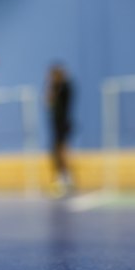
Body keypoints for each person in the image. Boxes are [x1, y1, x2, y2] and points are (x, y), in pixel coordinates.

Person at [46, 63, 74, 196]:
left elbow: (52, 99)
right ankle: (62, 179)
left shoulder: (65, 87)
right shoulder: (54, 87)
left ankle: (65, 180)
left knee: (61, 151)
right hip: (56, 124)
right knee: (56, 153)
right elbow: (48, 101)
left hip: (63, 124)